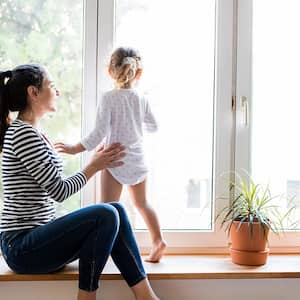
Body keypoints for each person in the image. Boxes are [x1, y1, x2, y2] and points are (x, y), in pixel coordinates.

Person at [0, 64, 160, 300]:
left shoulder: (35, 132)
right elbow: (59, 191)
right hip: (22, 248)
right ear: (33, 92)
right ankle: (87, 297)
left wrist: (97, 162)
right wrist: (94, 165)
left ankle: (146, 297)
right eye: (52, 86)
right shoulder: (23, 134)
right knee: (105, 213)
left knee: (115, 209)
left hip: (36, 240)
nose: (58, 91)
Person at [55, 47, 166, 263]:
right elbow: (153, 126)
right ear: (138, 72)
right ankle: (158, 241)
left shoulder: (108, 98)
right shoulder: (141, 98)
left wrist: (74, 148)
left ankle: (103, 252)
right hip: (138, 158)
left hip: (114, 158)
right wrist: (135, 125)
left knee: (106, 209)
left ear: (109, 71)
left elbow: (98, 134)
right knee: (142, 204)